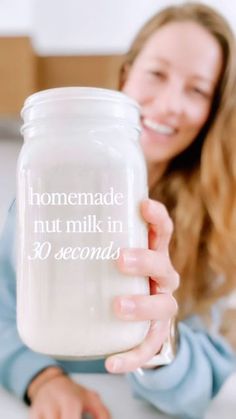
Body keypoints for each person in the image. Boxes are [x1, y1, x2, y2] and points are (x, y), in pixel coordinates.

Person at [0, 2, 236, 418]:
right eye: (157, 74)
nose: (168, 104)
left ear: (213, 112)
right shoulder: (47, 190)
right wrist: (42, 379)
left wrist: (163, 343)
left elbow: (203, 389)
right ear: (126, 74)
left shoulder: (214, 226)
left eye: (197, 89)